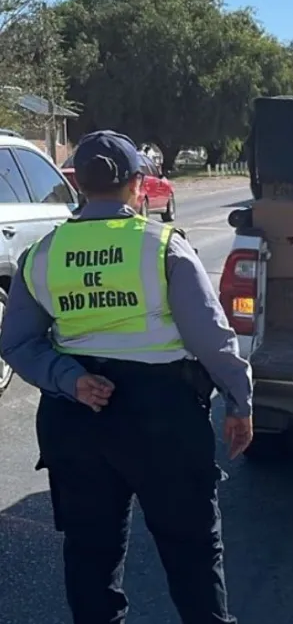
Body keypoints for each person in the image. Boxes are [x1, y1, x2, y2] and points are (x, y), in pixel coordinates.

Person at [0, 130, 253, 624]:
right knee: (193, 555)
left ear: (78, 185)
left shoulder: (44, 254)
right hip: (163, 418)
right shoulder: (162, 248)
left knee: (91, 558)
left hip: (77, 416)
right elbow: (212, 338)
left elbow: (16, 344)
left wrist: (69, 378)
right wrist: (240, 402)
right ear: (138, 184)